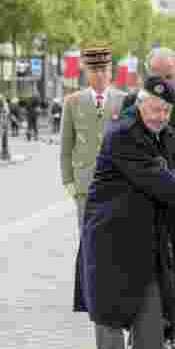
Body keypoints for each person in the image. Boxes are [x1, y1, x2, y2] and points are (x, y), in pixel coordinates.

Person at [75, 75, 175, 349]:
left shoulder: (167, 134)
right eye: (155, 108)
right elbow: (158, 181)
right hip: (112, 236)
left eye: (166, 111)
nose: (160, 116)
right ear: (140, 102)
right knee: (110, 311)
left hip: (148, 234)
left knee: (151, 309)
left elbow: (174, 176)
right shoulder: (123, 135)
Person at [121, 47, 175, 349]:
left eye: (169, 76)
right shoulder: (133, 103)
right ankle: (136, 333)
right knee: (139, 266)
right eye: (157, 76)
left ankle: (172, 333)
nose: (164, 83)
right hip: (142, 201)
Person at [61, 42, 127, 230]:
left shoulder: (124, 100)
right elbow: (66, 148)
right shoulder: (72, 102)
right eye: (94, 69)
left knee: (115, 236)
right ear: (86, 71)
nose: (99, 74)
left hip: (116, 181)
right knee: (87, 235)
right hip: (84, 184)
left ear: (110, 71)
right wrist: (69, 182)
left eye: (103, 69)